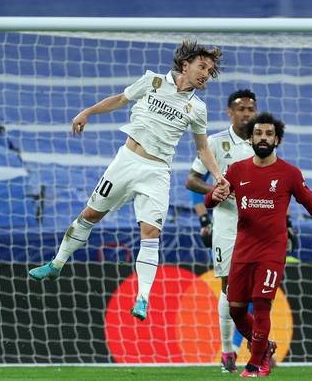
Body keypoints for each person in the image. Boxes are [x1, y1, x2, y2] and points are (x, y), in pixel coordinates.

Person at [28, 40, 229, 322]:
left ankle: (143, 298)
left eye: (210, 69)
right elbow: (121, 99)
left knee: (151, 234)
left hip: (156, 173)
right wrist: (88, 112)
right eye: (202, 66)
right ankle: (56, 263)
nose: (206, 73)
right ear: (186, 64)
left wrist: (219, 176)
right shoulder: (153, 81)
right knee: (88, 215)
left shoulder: (197, 109)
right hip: (125, 162)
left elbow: (202, 147)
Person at [205, 112, 312, 377]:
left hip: (271, 252)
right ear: (250, 139)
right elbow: (210, 200)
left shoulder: (289, 173)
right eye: (258, 133)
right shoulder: (237, 170)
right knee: (236, 310)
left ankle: (254, 362)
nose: (263, 138)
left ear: (277, 140)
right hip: (242, 250)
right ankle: (265, 347)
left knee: (261, 304)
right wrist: (213, 196)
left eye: (269, 134)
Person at [185, 89, 258, 372]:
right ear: (230, 112)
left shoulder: (263, 143)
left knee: (257, 292)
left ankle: (255, 343)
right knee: (229, 288)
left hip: (259, 227)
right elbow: (191, 180)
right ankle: (228, 349)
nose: (247, 113)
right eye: (241, 109)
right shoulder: (215, 143)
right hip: (227, 224)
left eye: (251, 109)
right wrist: (216, 190)